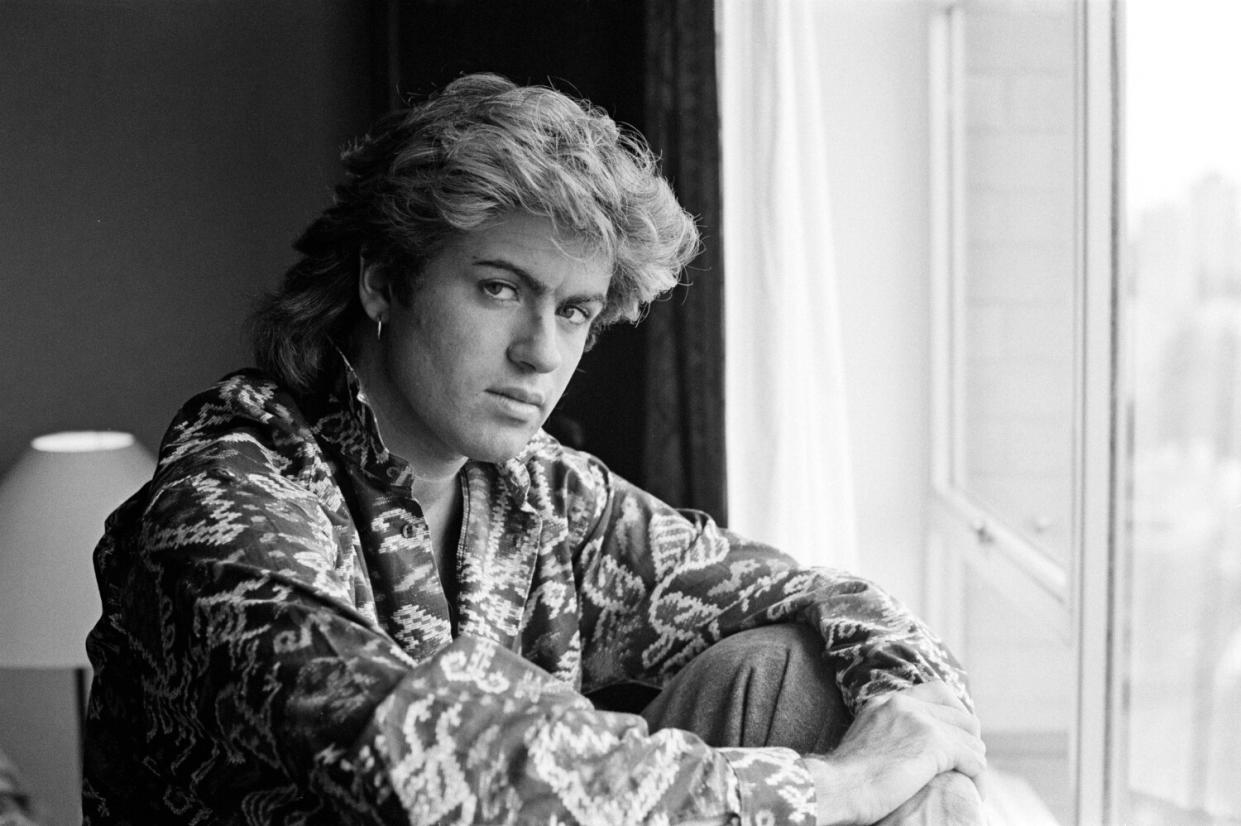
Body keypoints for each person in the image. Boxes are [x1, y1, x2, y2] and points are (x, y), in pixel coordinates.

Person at [83, 73, 986, 825]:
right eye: (498, 289)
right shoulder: (226, 497)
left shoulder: (543, 491)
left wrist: (919, 745)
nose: (540, 352)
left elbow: (833, 599)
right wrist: (830, 788)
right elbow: (416, 751)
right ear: (381, 281)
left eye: (574, 311)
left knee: (800, 670)